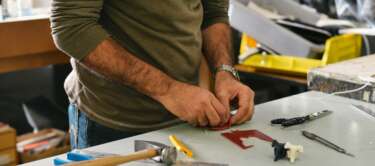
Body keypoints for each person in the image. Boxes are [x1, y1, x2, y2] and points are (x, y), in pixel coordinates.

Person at [51, 0, 255, 149]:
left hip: (192, 114)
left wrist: (224, 72)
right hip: (115, 122)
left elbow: (214, 12)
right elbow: (71, 27)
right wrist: (169, 90)